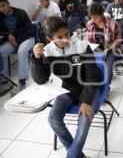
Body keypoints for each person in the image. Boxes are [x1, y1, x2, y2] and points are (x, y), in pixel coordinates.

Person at [31, 16, 102, 158]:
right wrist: (37, 59)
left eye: (67, 34)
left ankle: (72, 155)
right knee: (53, 118)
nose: (66, 39)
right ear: (50, 39)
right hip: (67, 90)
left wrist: (86, 101)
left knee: (84, 119)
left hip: (88, 88)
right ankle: (78, 155)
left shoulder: (81, 46)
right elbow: (40, 79)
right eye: (59, 37)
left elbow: (93, 77)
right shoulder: (47, 51)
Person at [0, 0, 36, 93]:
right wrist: (8, 35)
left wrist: (19, 41)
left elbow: (30, 29)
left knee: (22, 51)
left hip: (27, 38)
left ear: (8, 2)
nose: (1, 9)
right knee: (0, 53)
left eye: (3, 5)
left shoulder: (20, 13)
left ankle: (22, 81)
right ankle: (4, 82)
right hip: (12, 41)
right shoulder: (0, 16)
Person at [86, 2, 122, 84]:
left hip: (112, 49)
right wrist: (100, 52)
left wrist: (107, 50)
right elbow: (90, 41)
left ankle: (106, 87)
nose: (93, 20)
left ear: (102, 14)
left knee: (108, 63)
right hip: (99, 49)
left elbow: (118, 40)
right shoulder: (90, 24)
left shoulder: (113, 23)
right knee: (89, 61)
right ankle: (93, 83)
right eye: (91, 17)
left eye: (96, 17)